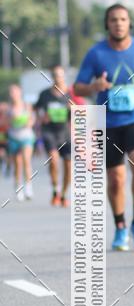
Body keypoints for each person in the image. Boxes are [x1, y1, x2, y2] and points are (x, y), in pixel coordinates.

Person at [74, 4, 134, 251]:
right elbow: (78, 87)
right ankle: (121, 226)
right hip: (108, 122)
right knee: (115, 179)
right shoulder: (96, 54)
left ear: (129, 23)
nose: (118, 23)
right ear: (107, 24)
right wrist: (94, 87)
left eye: (123, 19)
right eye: (113, 20)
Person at [35, 65, 72, 207]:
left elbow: (79, 113)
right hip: (49, 131)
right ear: (52, 77)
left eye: (61, 75)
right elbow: (36, 110)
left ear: (64, 76)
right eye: (56, 75)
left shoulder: (69, 94)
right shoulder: (45, 94)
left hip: (64, 133)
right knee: (54, 160)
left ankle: (63, 194)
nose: (58, 77)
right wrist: (41, 117)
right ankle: (55, 189)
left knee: (68, 165)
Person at [7, 83, 35, 201]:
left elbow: (32, 118)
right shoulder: (8, 108)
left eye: (15, 92)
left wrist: (29, 123)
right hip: (14, 137)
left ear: (20, 93)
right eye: (11, 92)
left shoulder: (26, 105)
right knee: (17, 165)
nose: (13, 94)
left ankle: (28, 187)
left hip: (26, 137)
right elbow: (6, 123)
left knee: (26, 161)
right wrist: (11, 121)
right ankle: (18, 188)